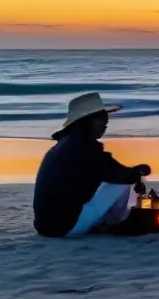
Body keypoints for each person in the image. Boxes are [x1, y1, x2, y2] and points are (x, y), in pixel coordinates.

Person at [33, 92, 151, 237]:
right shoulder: (85, 148)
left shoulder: (65, 145)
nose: (106, 121)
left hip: (45, 226)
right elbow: (120, 174)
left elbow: (106, 169)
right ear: (86, 121)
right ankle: (116, 223)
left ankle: (104, 221)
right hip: (65, 227)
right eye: (101, 117)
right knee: (123, 182)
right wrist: (139, 173)